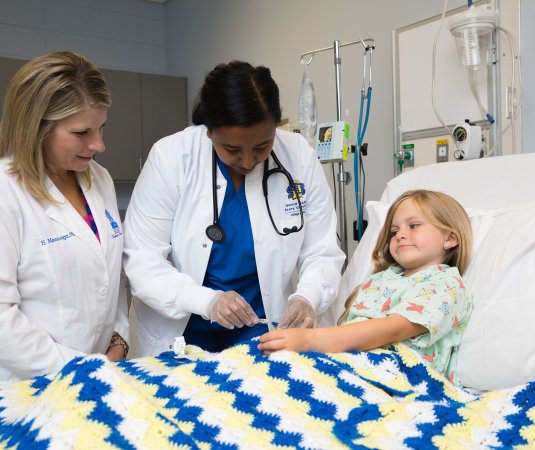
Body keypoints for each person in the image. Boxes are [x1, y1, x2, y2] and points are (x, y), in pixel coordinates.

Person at [123, 60, 345, 356]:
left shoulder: (299, 157)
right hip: (180, 330)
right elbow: (142, 260)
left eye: (262, 146)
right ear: (209, 131)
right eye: (232, 150)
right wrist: (207, 301)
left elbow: (322, 250)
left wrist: (307, 296)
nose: (248, 161)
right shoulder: (172, 157)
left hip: (260, 328)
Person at [0, 51, 129, 382]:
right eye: (82, 132)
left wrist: (119, 339)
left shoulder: (98, 178)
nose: (98, 144)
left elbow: (110, 277)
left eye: (102, 128)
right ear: (36, 128)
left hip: (100, 372)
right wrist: (83, 369)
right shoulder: (6, 191)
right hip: (30, 385)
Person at [259, 189, 473, 383]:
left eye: (414, 226)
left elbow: (393, 330)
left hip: (399, 378)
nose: (400, 234)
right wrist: (309, 337)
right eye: (394, 231)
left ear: (450, 239)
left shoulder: (447, 284)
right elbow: (347, 331)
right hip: (351, 365)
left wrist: (312, 341)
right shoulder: (377, 281)